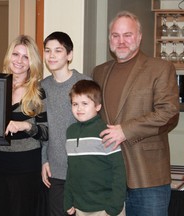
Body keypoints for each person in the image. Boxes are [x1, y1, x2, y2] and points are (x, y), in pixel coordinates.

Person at [92, 11, 179, 216]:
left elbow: (169, 113)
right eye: (115, 35)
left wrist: (126, 130)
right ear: (109, 39)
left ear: (139, 37)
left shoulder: (160, 68)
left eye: (127, 35)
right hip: (109, 177)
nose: (121, 41)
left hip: (148, 176)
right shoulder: (99, 72)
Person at [0, 35, 48, 216]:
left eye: (25, 57)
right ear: (8, 56)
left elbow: (45, 132)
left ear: (31, 62)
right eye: (16, 54)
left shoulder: (37, 92)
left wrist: (26, 126)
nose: (19, 60)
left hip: (25, 166)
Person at [41, 31, 91, 216]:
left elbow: (93, 128)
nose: (52, 55)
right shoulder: (42, 87)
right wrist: (43, 160)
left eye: (58, 50)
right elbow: (42, 129)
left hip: (83, 171)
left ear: (69, 55)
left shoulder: (85, 83)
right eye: (47, 50)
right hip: (56, 171)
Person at [64, 80, 126, 216]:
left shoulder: (106, 132)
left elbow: (119, 171)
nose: (79, 108)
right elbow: (71, 169)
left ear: (98, 106)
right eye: (75, 104)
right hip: (80, 207)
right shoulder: (71, 132)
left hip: (106, 208)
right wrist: (68, 199)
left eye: (85, 103)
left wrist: (114, 206)